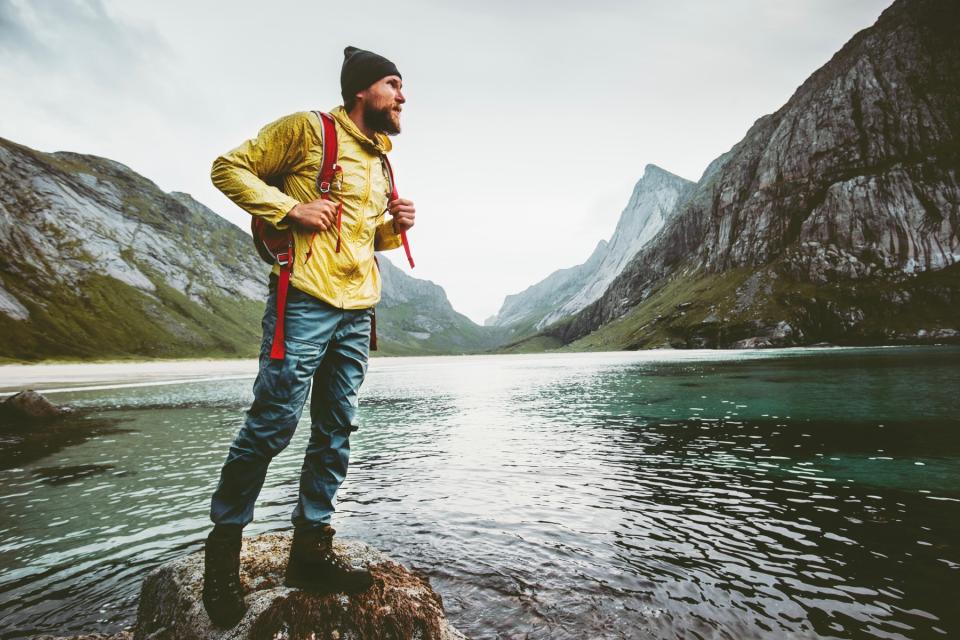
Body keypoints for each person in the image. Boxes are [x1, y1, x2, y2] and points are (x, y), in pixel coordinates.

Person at [201, 46, 415, 628]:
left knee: (337, 426)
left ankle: (310, 553)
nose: (403, 97)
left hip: (356, 310)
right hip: (303, 300)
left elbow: (360, 237)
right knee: (272, 421)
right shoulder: (306, 129)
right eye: (394, 85)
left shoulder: (380, 158)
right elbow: (227, 168)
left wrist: (392, 229)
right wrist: (290, 206)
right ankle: (222, 556)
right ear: (362, 91)